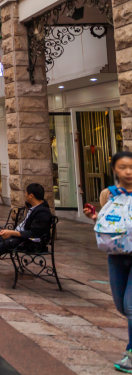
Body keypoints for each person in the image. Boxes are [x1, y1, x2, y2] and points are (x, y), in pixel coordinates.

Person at [83, 152, 132, 373]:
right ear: (114, 169)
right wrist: (94, 217)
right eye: (123, 167)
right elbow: (110, 222)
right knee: (122, 306)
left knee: (131, 307)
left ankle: (130, 354)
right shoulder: (108, 195)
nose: (128, 172)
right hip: (116, 257)